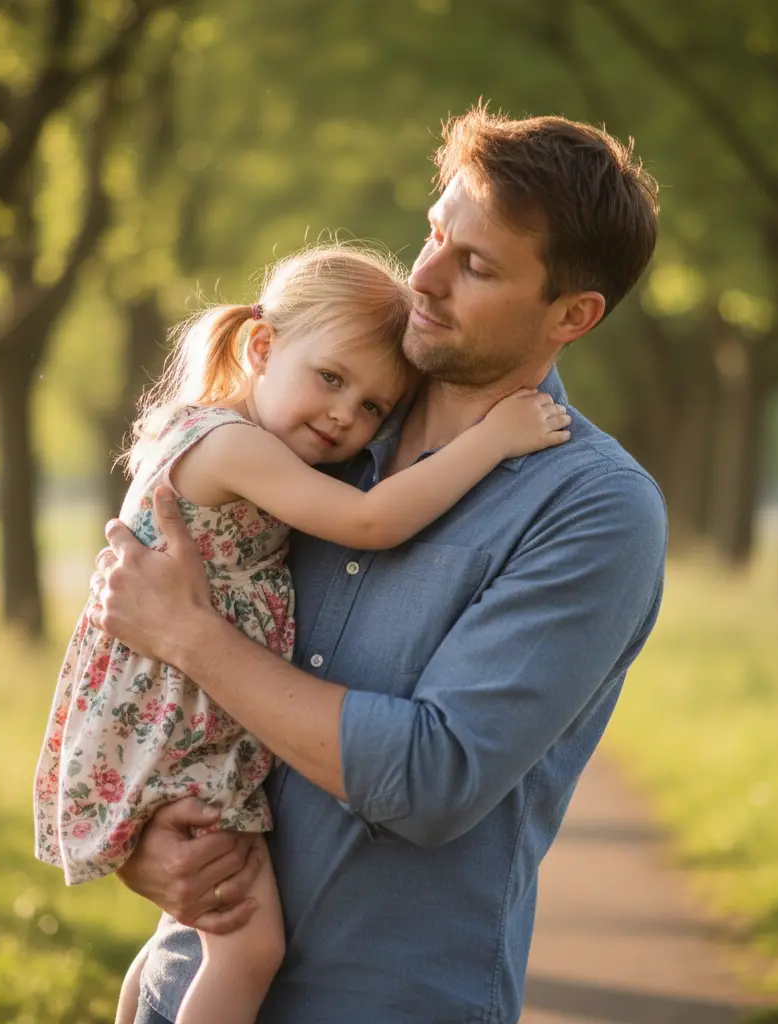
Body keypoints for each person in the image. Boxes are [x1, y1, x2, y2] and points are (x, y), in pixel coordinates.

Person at [94, 107, 667, 1024]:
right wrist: (142, 848)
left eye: (475, 265)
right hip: (182, 991)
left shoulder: (594, 510)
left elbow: (430, 777)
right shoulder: (311, 428)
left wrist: (191, 636)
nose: (425, 278)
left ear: (574, 314)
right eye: (436, 233)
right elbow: (147, 684)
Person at [33, 244, 571, 1024]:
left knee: (184, 943)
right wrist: (491, 440)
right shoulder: (236, 446)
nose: (344, 417)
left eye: (374, 408)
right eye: (330, 379)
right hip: (178, 716)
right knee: (246, 949)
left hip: (173, 706)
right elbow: (370, 520)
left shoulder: (218, 433)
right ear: (261, 346)